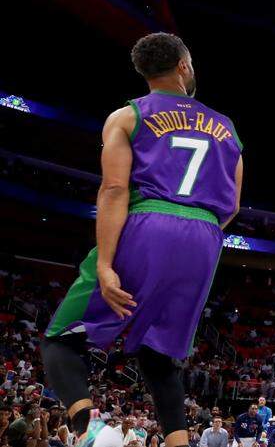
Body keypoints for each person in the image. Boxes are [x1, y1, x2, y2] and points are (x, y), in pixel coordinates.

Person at [39, 33, 244, 447]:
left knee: (59, 340)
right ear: (184, 66)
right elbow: (233, 206)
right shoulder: (227, 127)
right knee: (158, 355)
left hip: (149, 221)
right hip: (205, 236)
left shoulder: (127, 116)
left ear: (143, 71)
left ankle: (86, 430)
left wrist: (105, 264)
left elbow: (114, 190)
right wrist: (189, 241)